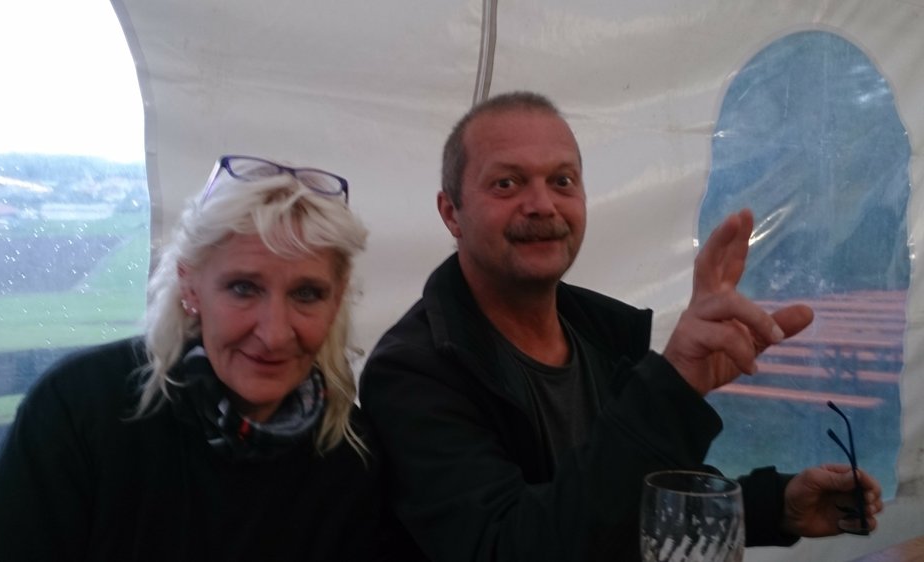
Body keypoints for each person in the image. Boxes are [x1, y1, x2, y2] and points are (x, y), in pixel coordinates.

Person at [358, 92, 884, 561]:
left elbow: (619, 501)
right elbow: (511, 545)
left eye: (562, 181)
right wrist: (671, 388)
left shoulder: (603, 331)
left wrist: (774, 507)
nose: (542, 204)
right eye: (507, 183)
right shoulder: (413, 371)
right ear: (451, 212)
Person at [0, 155, 399, 561]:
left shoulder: (350, 455)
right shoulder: (82, 409)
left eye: (307, 294)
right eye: (243, 288)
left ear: (336, 299)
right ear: (190, 287)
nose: (274, 334)